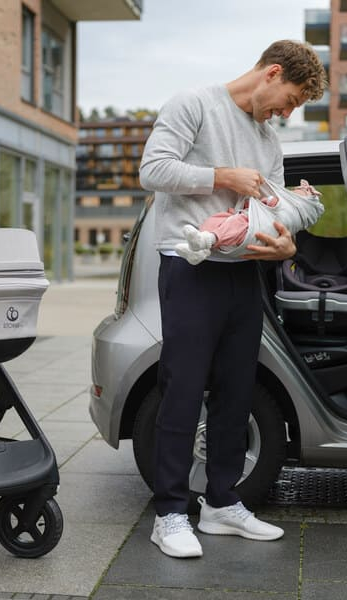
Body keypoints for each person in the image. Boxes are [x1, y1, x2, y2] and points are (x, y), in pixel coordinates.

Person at [138, 39, 327, 559]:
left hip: (245, 273)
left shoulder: (269, 142)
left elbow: (280, 208)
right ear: (270, 74)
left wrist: (287, 240)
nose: (287, 113)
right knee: (182, 389)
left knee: (237, 390)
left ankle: (221, 503)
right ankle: (171, 514)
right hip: (190, 266)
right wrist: (221, 176)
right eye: (288, 100)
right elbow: (152, 171)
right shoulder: (194, 104)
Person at [174, 179, 324, 265]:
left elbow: (270, 203)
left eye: (299, 191)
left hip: (250, 227)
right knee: (221, 218)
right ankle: (200, 250)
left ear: (302, 201)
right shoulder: (291, 211)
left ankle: (207, 240)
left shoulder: (287, 208)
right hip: (247, 226)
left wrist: (262, 203)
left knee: (235, 224)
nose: (293, 190)